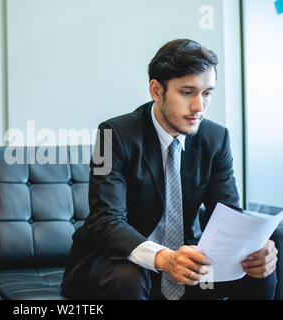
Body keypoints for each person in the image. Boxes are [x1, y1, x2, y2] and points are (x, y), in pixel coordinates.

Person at [61, 39, 278, 300]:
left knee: (259, 269)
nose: (199, 107)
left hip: (184, 260)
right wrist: (163, 258)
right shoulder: (112, 134)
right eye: (187, 92)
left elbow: (227, 214)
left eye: (207, 93)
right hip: (118, 259)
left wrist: (251, 248)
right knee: (127, 279)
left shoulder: (215, 138)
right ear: (156, 90)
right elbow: (106, 221)